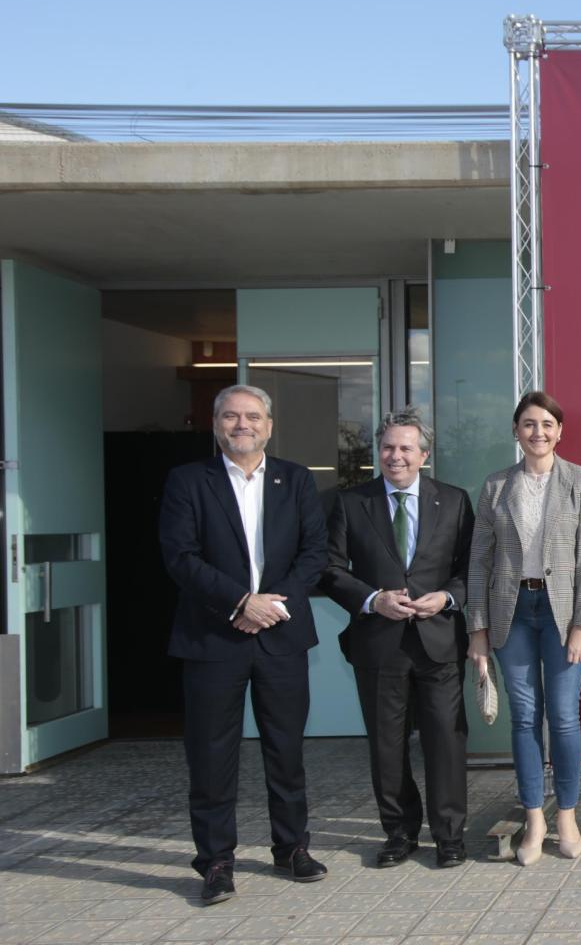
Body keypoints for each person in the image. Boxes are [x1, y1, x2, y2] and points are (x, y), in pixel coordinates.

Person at [158, 383, 329, 905]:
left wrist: (272, 606)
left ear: (269, 426)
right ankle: (215, 861)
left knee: (287, 750)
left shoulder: (296, 480)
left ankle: (292, 848)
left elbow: (313, 552)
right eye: (230, 417)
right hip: (213, 637)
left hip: (280, 635)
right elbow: (180, 557)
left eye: (252, 416)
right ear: (216, 425)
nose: (241, 425)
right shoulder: (188, 481)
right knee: (211, 756)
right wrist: (240, 602)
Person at [322, 407, 475, 869]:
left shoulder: (453, 501)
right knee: (386, 744)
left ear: (423, 455)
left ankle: (449, 835)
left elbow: (471, 570)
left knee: (445, 742)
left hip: (438, 641)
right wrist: (372, 600)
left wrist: (446, 598)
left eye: (406, 447)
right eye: (388, 447)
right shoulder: (351, 503)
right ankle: (399, 833)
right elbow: (329, 569)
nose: (396, 455)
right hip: (379, 641)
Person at [466, 391, 581, 866]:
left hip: (562, 616)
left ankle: (566, 815)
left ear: (560, 431)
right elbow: (479, 562)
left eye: (547, 424)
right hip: (511, 613)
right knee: (525, 718)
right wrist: (477, 630)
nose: (538, 432)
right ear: (516, 431)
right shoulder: (495, 487)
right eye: (529, 424)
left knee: (564, 717)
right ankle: (534, 820)